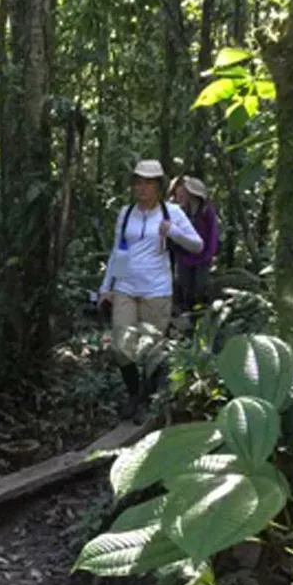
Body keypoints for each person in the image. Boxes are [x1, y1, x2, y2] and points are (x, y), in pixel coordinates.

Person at [96, 159, 204, 423]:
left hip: (157, 290)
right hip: (125, 288)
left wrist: (174, 232)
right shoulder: (126, 212)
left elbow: (197, 246)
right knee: (122, 348)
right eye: (138, 182)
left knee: (152, 352)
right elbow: (118, 250)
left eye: (148, 183)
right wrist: (105, 286)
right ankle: (134, 394)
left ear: (158, 186)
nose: (142, 188)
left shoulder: (172, 213)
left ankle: (145, 400)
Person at [169, 175, 220, 314]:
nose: (179, 197)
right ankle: (186, 316)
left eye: (182, 194)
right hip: (184, 257)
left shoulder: (206, 211)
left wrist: (210, 254)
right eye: (177, 194)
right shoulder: (178, 212)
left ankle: (201, 317)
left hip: (202, 256)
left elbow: (213, 234)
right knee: (183, 287)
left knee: (200, 287)